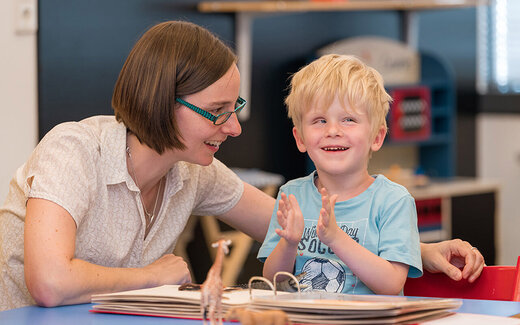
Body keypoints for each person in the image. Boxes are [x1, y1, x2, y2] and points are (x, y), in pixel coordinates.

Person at [0, 21, 484, 311]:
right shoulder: (73, 150)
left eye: (236, 107)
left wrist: (417, 248)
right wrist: (154, 275)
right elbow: (50, 283)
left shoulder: (193, 172)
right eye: (218, 111)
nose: (233, 129)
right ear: (162, 103)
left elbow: (301, 226)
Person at [258, 54, 422, 295]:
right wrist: (289, 243)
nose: (333, 130)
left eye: (348, 119)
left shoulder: (393, 201)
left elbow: (391, 284)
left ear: (376, 137)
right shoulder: (291, 194)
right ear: (300, 138)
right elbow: (274, 281)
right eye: (320, 120)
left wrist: (335, 238)